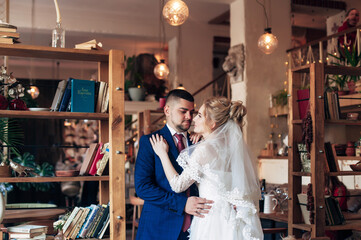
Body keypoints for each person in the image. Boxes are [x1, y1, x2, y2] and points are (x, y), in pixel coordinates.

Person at [150, 97, 263, 240]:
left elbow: (178, 185)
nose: (193, 119)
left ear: (212, 123)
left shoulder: (204, 149)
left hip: (211, 219)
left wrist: (162, 154)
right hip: (232, 219)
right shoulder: (232, 149)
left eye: (199, 115)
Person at [134, 89, 213, 240]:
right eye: (183, 111)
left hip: (197, 226)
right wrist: (182, 204)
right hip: (159, 228)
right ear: (167, 110)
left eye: (192, 112)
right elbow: (143, 188)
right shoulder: (150, 141)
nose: (189, 117)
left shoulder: (199, 142)